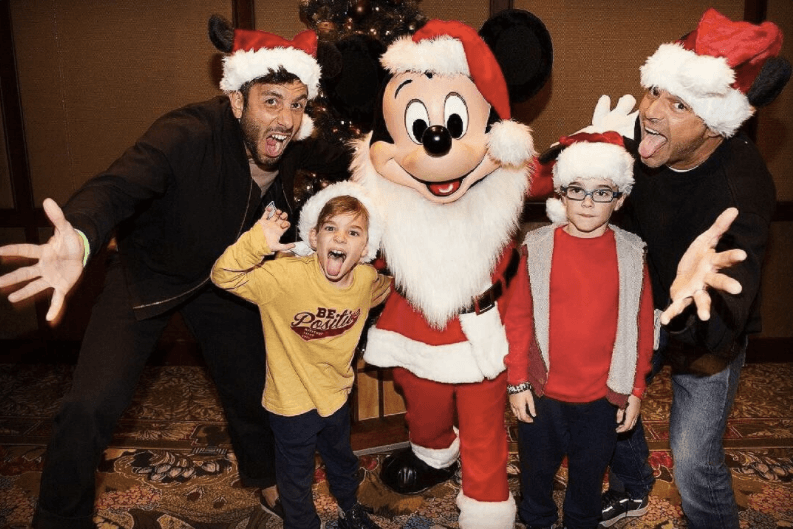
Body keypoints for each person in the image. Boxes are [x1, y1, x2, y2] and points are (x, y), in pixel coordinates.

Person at [0, 16, 352, 528]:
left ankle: (267, 479)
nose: (285, 119)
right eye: (271, 101)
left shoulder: (298, 139)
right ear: (237, 101)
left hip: (226, 278)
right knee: (90, 405)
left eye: (296, 104)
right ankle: (57, 519)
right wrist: (77, 238)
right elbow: (115, 188)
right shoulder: (184, 133)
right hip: (149, 273)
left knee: (254, 383)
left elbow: (357, 162)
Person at [595, 9, 790, 529]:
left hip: (707, 331)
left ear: (713, 124)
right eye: (655, 90)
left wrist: (683, 306)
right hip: (646, 306)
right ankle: (634, 487)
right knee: (602, 399)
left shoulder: (741, 196)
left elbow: (725, 314)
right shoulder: (645, 141)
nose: (651, 111)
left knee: (692, 463)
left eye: (678, 103)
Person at [211, 181, 391, 529]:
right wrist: (256, 243)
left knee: (341, 460)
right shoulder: (284, 278)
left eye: (353, 232)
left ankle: (349, 508)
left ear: (365, 247)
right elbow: (223, 276)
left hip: (336, 395)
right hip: (291, 403)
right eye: (330, 228)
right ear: (313, 238)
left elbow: (384, 290)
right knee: (296, 478)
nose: (340, 238)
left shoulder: (366, 279)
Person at [504, 131, 654, 529]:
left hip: (601, 399)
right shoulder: (536, 247)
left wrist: (635, 390)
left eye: (602, 192)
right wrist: (517, 381)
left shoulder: (632, 253)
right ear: (561, 195)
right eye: (577, 190)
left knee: (587, 483)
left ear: (619, 198)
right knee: (535, 477)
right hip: (543, 395)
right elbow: (518, 318)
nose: (588, 202)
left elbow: (641, 330)